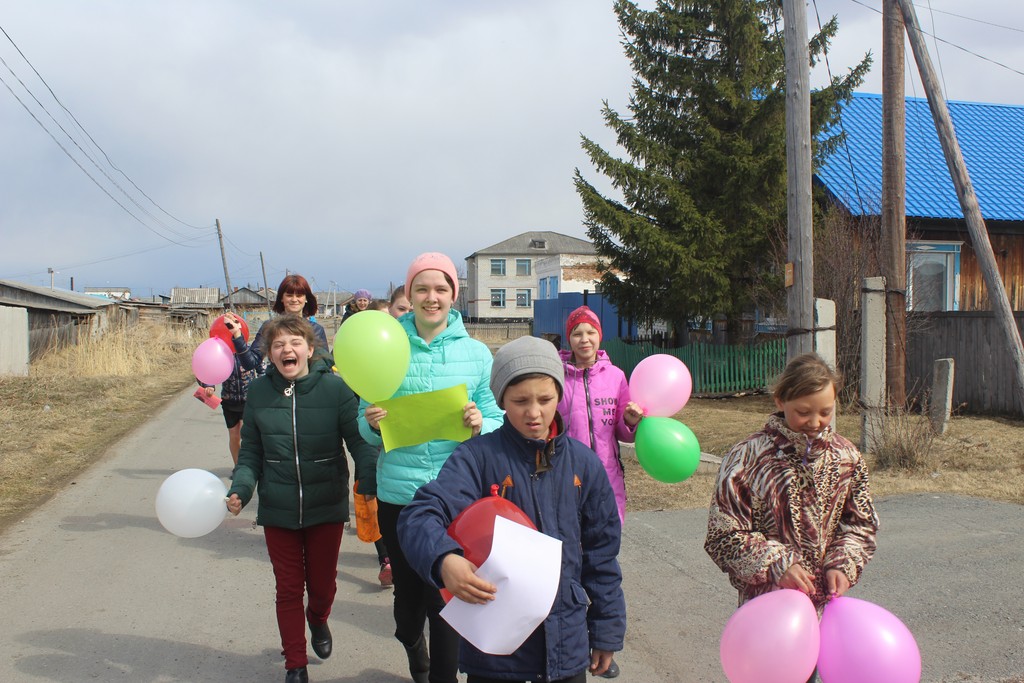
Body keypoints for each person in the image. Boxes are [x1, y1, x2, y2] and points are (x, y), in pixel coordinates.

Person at [399, 335, 626, 683]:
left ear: (559, 396)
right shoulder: (477, 458)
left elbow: (602, 555)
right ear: (501, 399)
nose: (534, 412)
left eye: (545, 399)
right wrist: (443, 560)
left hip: (566, 649)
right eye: (520, 401)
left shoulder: (585, 465)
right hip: (494, 656)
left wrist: (606, 632)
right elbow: (419, 515)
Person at [359, 252, 503, 683]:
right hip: (399, 497)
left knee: (445, 600)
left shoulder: (476, 354)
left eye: (441, 288)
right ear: (410, 294)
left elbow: (498, 416)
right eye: (421, 289)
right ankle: (411, 645)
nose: (431, 297)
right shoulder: (386, 348)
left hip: (455, 496)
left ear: (453, 295)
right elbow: (364, 423)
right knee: (408, 605)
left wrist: (481, 422)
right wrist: (371, 423)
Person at [226, 315, 378, 683]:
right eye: (278, 345)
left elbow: (358, 441)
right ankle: (295, 663)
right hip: (278, 507)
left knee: (322, 587)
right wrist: (241, 489)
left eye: (294, 343)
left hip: (326, 504)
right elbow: (250, 451)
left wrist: (369, 476)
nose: (286, 350)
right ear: (270, 354)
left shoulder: (336, 390)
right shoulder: (259, 392)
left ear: (310, 349)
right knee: (289, 588)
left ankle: (319, 618)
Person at [704, 352, 879, 611]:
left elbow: (861, 525)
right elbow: (723, 536)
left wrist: (842, 564)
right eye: (803, 412)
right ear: (780, 400)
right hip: (767, 607)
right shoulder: (747, 458)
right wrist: (776, 564)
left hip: (827, 609)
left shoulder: (846, 458)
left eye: (825, 412)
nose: (815, 422)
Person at [556, 305, 641, 679]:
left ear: (599, 336)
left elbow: (623, 432)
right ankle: (576, 640)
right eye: (577, 333)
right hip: (565, 484)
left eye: (590, 332)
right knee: (570, 566)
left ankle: (602, 641)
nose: (584, 339)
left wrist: (630, 421)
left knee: (602, 565)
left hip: (607, 486)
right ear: (569, 338)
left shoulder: (616, 376)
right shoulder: (557, 377)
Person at [198, 310, 262, 465]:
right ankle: (238, 467)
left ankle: (249, 466)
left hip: (248, 401)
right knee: (234, 436)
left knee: (246, 435)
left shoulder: (247, 350)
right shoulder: (218, 352)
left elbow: (262, 369)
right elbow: (205, 371)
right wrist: (208, 386)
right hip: (229, 401)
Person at [245, 275, 328, 373]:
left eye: (299, 295)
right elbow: (250, 363)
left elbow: (325, 366)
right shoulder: (269, 327)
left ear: (306, 298)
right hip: (277, 381)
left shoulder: (316, 329)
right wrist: (237, 337)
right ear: (281, 298)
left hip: (310, 382)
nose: (294, 299)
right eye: (289, 295)